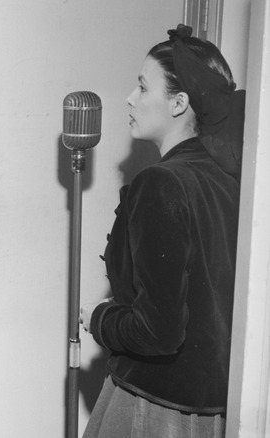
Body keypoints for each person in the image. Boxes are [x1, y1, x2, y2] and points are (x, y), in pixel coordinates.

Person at [80, 24, 244, 438]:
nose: (130, 99)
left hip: (152, 408)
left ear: (178, 103)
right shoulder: (229, 180)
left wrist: (99, 317)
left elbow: (158, 332)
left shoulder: (162, 182)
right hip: (212, 408)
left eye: (142, 87)